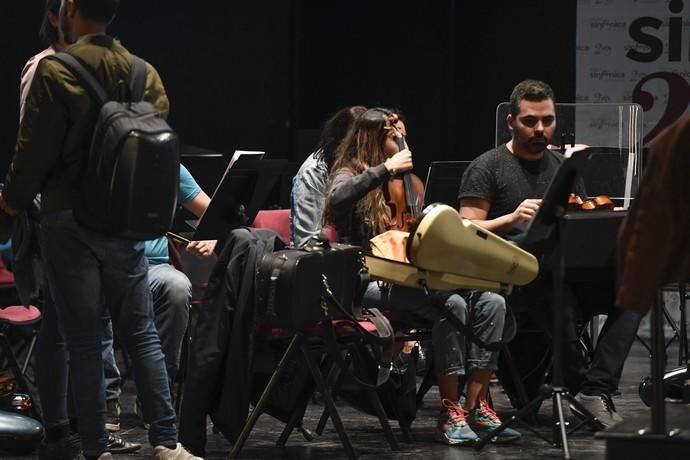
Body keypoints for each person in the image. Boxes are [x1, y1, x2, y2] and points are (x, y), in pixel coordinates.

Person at [0, 1, 201, 458]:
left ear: (68, 9)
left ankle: (96, 449)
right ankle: (167, 444)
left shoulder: (56, 72)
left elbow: (32, 156)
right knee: (143, 333)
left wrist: (10, 204)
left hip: (68, 220)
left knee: (85, 339)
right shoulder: (143, 72)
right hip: (124, 223)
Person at [324, 107, 521, 445]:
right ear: (371, 137)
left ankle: (475, 407)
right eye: (393, 135)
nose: (402, 141)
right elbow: (337, 197)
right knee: (450, 304)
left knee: (492, 301)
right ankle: (448, 410)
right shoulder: (349, 172)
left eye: (404, 134)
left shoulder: (410, 183)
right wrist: (384, 169)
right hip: (367, 282)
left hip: (414, 276)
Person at [458, 79, 641, 429]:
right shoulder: (488, 166)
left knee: (632, 291)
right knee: (547, 280)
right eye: (530, 121)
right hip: (513, 279)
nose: (540, 129)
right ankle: (578, 386)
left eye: (547, 120)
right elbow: (465, 233)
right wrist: (512, 217)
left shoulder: (562, 165)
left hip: (563, 273)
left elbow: (578, 222)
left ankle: (594, 388)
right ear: (510, 121)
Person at [18, 0, 140, 456]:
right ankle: (62, 426)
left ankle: (77, 426)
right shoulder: (44, 67)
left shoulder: (108, 64)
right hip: (60, 215)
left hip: (99, 216)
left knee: (80, 325)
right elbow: (33, 146)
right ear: (56, 15)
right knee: (64, 325)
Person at [104, 164, 216, 426]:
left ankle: (154, 396)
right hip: (107, 264)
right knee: (94, 293)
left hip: (153, 267)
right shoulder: (100, 160)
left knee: (176, 286)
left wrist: (213, 237)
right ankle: (106, 398)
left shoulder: (167, 165)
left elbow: (213, 213)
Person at [290, 105, 366, 247]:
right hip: (325, 259)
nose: (363, 152)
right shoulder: (313, 172)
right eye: (357, 145)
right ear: (340, 142)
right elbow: (307, 242)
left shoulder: (367, 167)